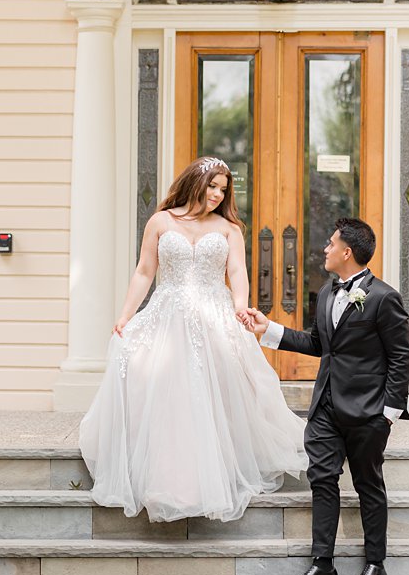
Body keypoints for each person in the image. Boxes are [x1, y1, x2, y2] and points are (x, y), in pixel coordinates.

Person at [79, 155, 307, 522]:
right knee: (166, 392)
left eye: (223, 189)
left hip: (214, 315)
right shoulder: (161, 221)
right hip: (167, 313)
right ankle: (170, 480)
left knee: (212, 394)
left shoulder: (230, 229)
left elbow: (237, 272)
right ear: (195, 183)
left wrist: (240, 307)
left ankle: (214, 473)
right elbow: (144, 271)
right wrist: (125, 314)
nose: (217, 194)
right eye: (212, 186)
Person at [239, 217, 409, 575]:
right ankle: (322, 567)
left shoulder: (384, 298)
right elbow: (318, 344)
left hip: (368, 412)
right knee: (322, 480)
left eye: (331, 244)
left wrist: (388, 412)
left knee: (368, 483)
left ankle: (375, 566)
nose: (326, 249)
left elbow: (400, 356)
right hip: (325, 409)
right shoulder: (327, 293)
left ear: (347, 251)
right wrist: (267, 329)